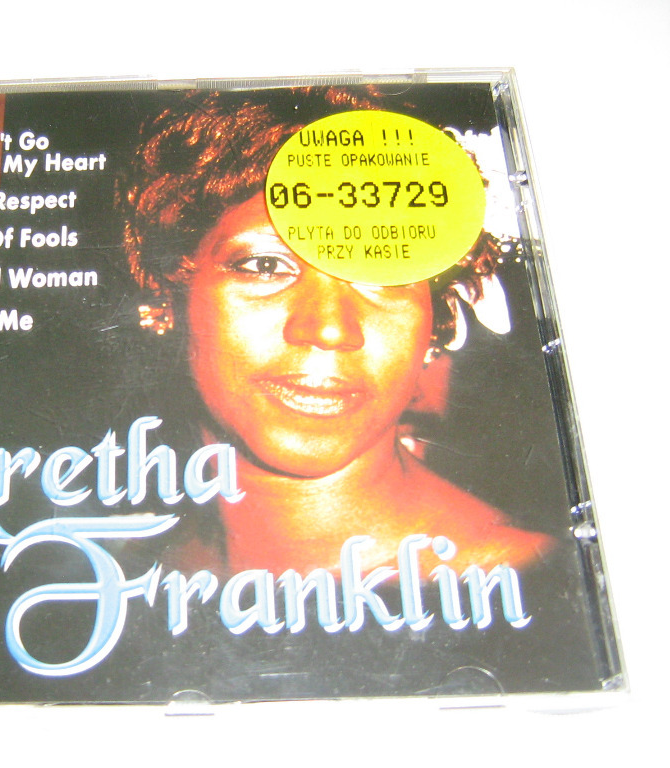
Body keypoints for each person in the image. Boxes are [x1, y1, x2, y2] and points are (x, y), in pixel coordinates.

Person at [118, 87, 553, 578]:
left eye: (385, 272)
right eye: (265, 266)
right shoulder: (123, 575)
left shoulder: (533, 579)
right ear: (166, 293)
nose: (329, 328)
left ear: (435, 321)